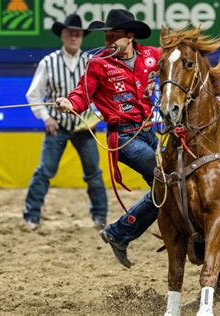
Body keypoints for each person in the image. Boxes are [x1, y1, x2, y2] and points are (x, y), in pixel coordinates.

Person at [56, 9, 161, 268]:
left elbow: (179, 66)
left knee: (167, 189)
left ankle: (119, 233)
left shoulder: (152, 55)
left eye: (114, 37)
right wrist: (69, 102)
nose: (109, 42)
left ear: (129, 36)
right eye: (107, 38)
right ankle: (120, 232)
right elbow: (82, 94)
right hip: (124, 137)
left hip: (150, 130)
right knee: (167, 180)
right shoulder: (98, 64)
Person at [23, 14, 108, 231]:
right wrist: (46, 117)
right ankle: (31, 216)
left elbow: (102, 94)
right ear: (63, 35)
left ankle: (100, 217)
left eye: (78, 33)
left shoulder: (91, 63)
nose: (74, 36)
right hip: (57, 126)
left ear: (82, 37)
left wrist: (96, 116)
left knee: (94, 174)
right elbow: (33, 94)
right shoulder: (48, 62)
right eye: (70, 32)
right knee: (45, 171)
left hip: (84, 127)